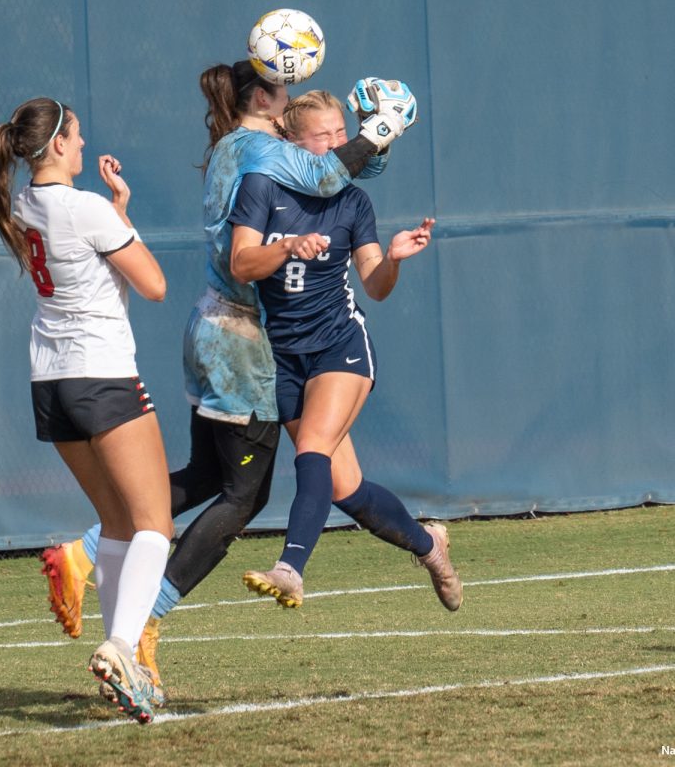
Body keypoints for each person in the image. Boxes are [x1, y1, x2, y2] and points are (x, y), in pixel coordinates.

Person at [38, 65, 417, 686]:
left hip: (215, 330)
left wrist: (370, 144)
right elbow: (322, 172)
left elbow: (333, 175)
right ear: (266, 100)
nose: (297, 108)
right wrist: (379, 129)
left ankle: (86, 551)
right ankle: (142, 622)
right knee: (247, 495)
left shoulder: (232, 146)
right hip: (242, 338)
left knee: (212, 475)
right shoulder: (262, 149)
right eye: (287, 94)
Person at [0, 97, 172, 724]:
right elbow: (154, 283)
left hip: (52, 382)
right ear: (56, 144)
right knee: (154, 526)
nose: (85, 145)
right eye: (78, 136)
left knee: (115, 525)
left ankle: (127, 665)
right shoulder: (81, 206)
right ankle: (120, 647)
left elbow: (87, 255)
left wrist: (115, 212)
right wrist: (120, 217)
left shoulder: (22, 204)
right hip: (101, 374)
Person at [231, 89, 462, 611]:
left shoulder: (352, 201)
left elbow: (375, 285)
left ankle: (290, 568)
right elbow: (242, 265)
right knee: (346, 489)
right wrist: (287, 245)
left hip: (339, 344)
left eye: (344, 133)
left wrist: (395, 258)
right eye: (325, 136)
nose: (342, 145)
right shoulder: (261, 188)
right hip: (284, 354)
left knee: (312, 446)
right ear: (290, 142)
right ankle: (431, 546)